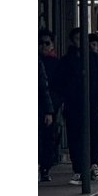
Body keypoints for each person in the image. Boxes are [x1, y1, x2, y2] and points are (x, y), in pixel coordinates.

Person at [59, 26, 98, 182]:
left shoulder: (95, 59)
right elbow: (58, 82)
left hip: (91, 102)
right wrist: (67, 94)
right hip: (72, 104)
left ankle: (94, 165)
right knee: (75, 136)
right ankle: (78, 169)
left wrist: (97, 91)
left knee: (94, 134)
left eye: (82, 39)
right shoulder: (67, 61)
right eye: (77, 39)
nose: (79, 42)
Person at [39, 33, 60, 182]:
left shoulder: (55, 63)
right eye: (40, 43)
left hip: (48, 105)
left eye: (47, 43)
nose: (43, 46)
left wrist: (51, 108)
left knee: (47, 137)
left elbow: (44, 87)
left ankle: (45, 167)